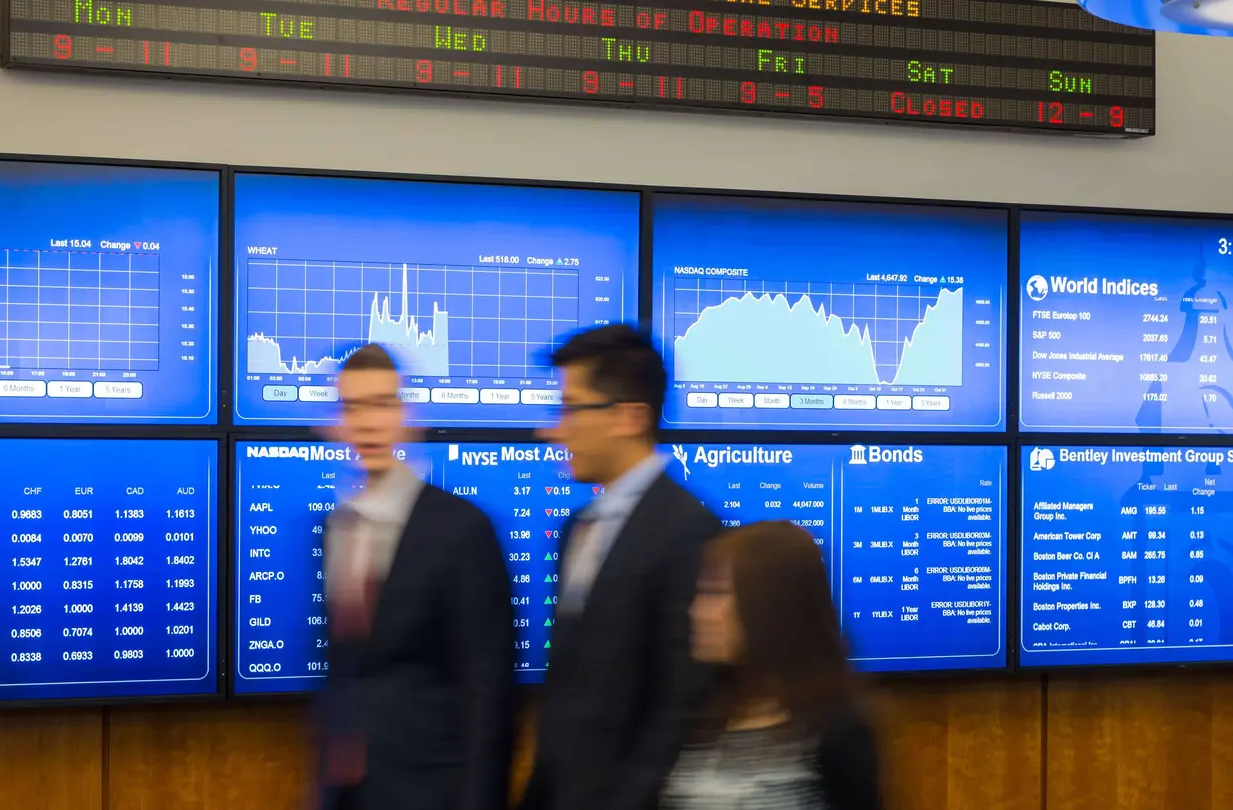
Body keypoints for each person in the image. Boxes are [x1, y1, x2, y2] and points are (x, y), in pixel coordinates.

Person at [522, 324, 722, 810]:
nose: (552, 429)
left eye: (572, 408)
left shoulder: (687, 530)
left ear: (629, 417)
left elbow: (682, 706)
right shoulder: (580, 527)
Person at [313, 343, 514, 810]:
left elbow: (488, 692)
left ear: (408, 415)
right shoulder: (337, 526)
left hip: (433, 793)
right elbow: (345, 678)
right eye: (352, 406)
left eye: (382, 404)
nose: (367, 422)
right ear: (335, 423)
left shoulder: (461, 528)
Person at [662, 521, 882, 810]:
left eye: (716, 593)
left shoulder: (834, 730)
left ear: (766, 605)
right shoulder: (703, 712)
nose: (697, 611)